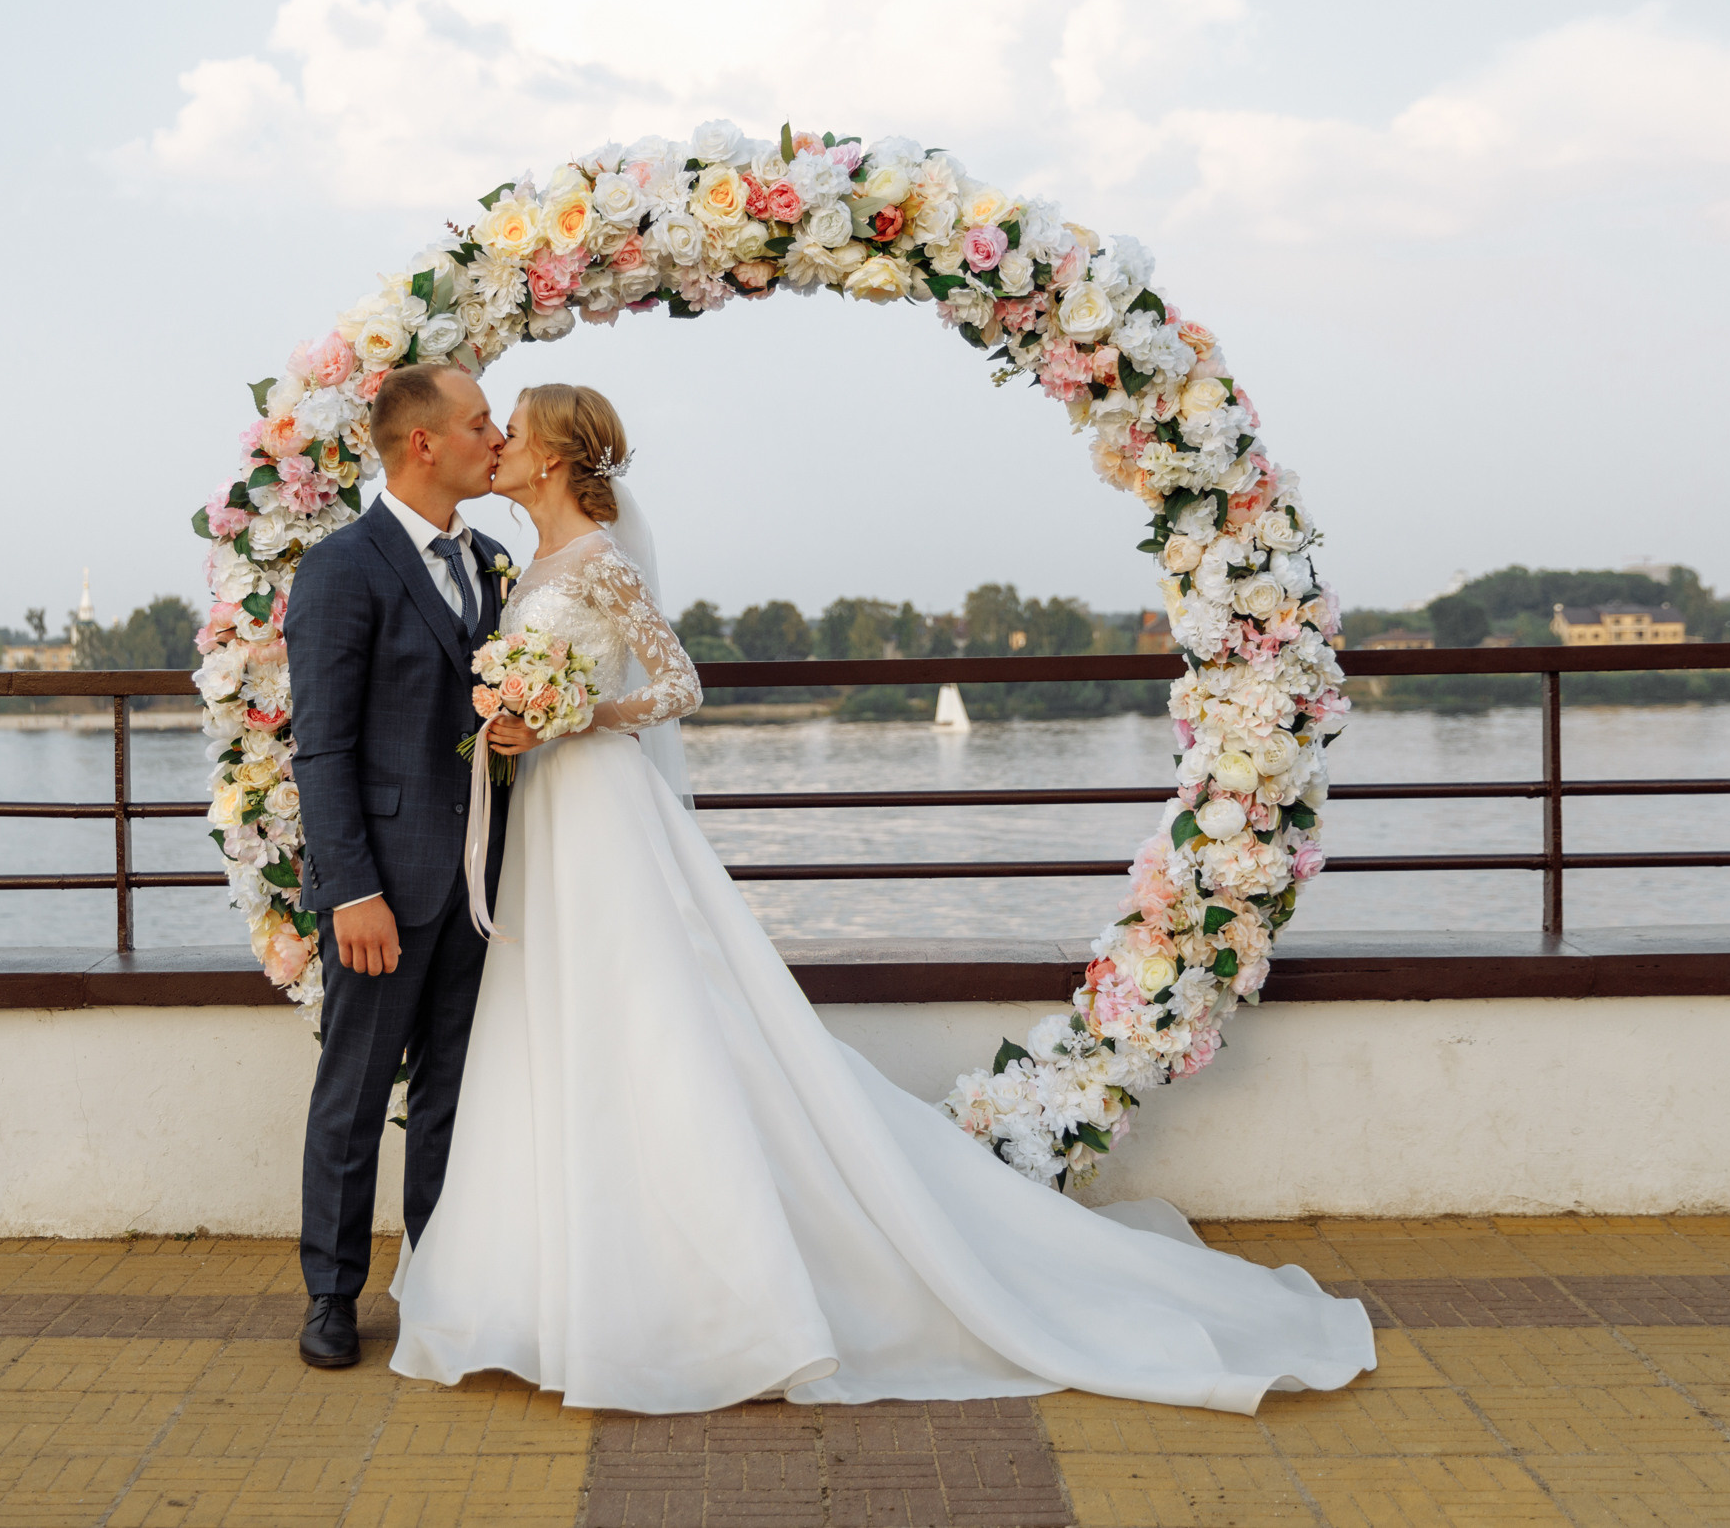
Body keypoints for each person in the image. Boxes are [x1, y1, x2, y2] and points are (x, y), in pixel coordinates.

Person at [383, 380, 1377, 1415]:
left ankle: (695, 1289)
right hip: (542, 810)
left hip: (600, 807)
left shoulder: (600, 560)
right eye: (483, 431)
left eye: (511, 433)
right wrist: (512, 719)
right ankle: (547, 1280)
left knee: (647, 1018)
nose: (492, 443)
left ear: (549, 457)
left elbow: (679, 686)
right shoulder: (518, 565)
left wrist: (577, 712)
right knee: (551, 1024)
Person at [282, 361, 512, 1370]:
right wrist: (353, 892)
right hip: (387, 885)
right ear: (424, 443)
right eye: (479, 424)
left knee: (454, 1094)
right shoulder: (344, 568)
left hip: (483, 882)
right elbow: (321, 747)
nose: (496, 438)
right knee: (355, 1093)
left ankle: (432, 1274)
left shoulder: (497, 562)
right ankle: (331, 1295)